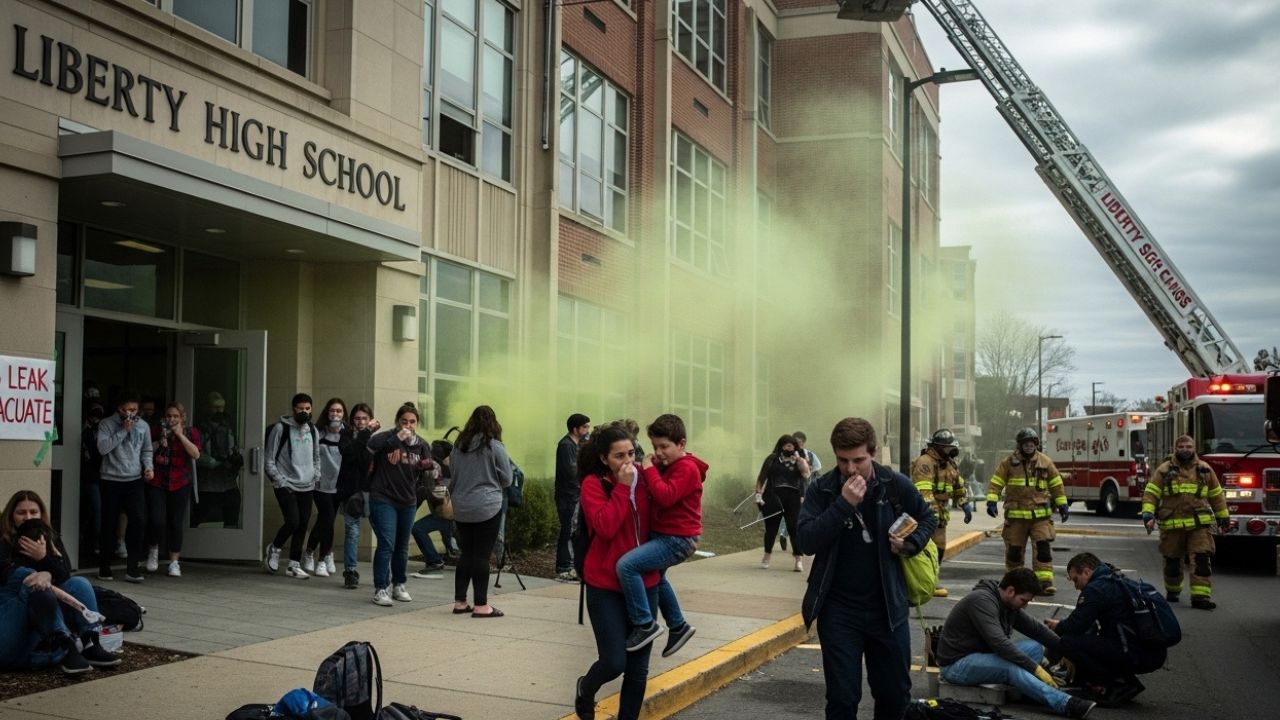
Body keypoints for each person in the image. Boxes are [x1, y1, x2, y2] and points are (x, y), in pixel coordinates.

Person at [795, 417, 936, 720]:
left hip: (887, 609)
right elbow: (805, 540)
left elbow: (927, 518)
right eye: (843, 460)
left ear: (873, 452)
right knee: (843, 698)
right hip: (839, 610)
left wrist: (911, 543)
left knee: (894, 695)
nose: (850, 469)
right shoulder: (823, 489)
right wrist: (843, 505)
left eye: (858, 460)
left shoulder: (894, 485)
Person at [573, 424, 658, 720]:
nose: (628, 462)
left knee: (638, 669)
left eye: (631, 454)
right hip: (605, 585)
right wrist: (622, 488)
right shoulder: (594, 485)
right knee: (613, 662)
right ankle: (586, 688)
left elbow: (681, 487)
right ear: (603, 458)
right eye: (619, 456)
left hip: (645, 583)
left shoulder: (645, 478)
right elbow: (606, 528)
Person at [936, 568, 1095, 718]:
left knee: (1035, 648)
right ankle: (1066, 704)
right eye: (1023, 600)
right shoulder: (981, 601)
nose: (1025, 606)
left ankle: (1032, 690)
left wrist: (1067, 651)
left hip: (984, 656)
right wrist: (1036, 669)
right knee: (1011, 667)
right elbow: (1000, 644)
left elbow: (1037, 630)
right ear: (1011, 591)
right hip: (956, 665)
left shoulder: (1007, 604)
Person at [1, 490, 122, 675]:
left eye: (33, 512)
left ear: (41, 514)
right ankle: (66, 645)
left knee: (79, 583)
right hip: (13, 620)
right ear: (11, 516)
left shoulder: (49, 537)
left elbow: (65, 574)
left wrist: (44, 559)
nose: (28, 517)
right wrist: (41, 574)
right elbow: (12, 574)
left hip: (43, 622)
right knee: (36, 586)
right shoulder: (4, 541)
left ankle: (90, 644)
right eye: (21, 512)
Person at [616, 414, 705, 657]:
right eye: (655, 447)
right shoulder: (670, 465)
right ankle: (678, 626)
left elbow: (665, 496)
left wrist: (648, 468)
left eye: (664, 446)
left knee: (627, 566)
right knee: (658, 577)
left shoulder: (686, 468)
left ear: (682, 443)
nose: (658, 453)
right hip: (667, 536)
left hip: (677, 539)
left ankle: (644, 624)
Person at [1045, 552, 1167, 706]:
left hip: (1135, 653)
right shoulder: (1116, 579)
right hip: (1151, 652)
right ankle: (1123, 681)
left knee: (1068, 642)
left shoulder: (1096, 589)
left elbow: (1075, 626)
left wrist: (1057, 626)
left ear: (1087, 572)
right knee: (1092, 636)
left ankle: (1115, 684)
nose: (1076, 587)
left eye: (1076, 579)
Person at [1141, 434, 1229, 609]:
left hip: (1199, 525)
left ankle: (1201, 597)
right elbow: (1151, 493)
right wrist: (1148, 515)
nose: (1185, 450)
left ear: (1194, 448)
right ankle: (1173, 590)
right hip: (1172, 524)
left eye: (1188, 447)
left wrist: (1223, 517)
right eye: (1181, 447)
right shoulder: (1164, 470)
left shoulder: (1205, 469)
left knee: (1201, 559)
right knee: (1172, 561)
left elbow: (1216, 495)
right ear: (1175, 449)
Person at [367, 403, 438, 607]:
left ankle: (399, 584)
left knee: (402, 546)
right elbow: (371, 445)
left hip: (407, 500)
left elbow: (430, 474)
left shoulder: (421, 445)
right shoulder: (388, 438)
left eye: (412, 422)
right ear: (398, 422)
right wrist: (397, 437)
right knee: (386, 543)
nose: (408, 425)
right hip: (383, 497)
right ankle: (381, 588)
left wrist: (429, 467)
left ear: (417, 424)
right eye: (404, 421)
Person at [986, 427, 1068, 595]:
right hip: (1016, 518)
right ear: (1020, 445)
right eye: (1026, 444)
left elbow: (1056, 484)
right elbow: (996, 482)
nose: (1029, 447)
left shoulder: (1045, 462)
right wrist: (992, 500)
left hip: (1040, 518)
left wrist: (1062, 504)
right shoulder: (1008, 463)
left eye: (1032, 444)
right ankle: (1015, 584)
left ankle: (1044, 583)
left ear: (1036, 444)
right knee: (1014, 553)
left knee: (1043, 550)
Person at [448, 405, 513, 618]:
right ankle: (481, 605)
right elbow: (507, 479)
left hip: (461, 505)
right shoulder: (494, 446)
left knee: (466, 553)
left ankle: (460, 602)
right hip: (487, 506)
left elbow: (453, 477)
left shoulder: (458, 447)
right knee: (482, 556)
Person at [96, 390, 154, 583]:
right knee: (109, 523)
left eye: (134, 410)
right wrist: (123, 430)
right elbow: (102, 448)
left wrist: (149, 467)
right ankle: (104, 567)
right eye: (128, 410)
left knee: (138, 522)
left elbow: (147, 450)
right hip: (111, 479)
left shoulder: (143, 426)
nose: (131, 413)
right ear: (119, 409)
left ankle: (133, 568)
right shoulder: (106, 424)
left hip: (134, 479)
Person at [910, 428, 972, 597]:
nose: (951, 450)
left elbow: (958, 486)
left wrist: (964, 504)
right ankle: (922, 583)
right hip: (925, 516)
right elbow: (924, 491)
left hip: (940, 517)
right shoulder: (925, 462)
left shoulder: (949, 463)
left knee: (938, 550)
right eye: (948, 447)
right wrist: (932, 515)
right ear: (938, 447)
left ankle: (931, 581)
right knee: (925, 550)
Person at [264, 393, 320, 579]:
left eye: (308, 408)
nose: (304, 412)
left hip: (307, 484)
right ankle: (275, 548)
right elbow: (269, 459)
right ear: (293, 409)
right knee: (293, 521)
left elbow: (316, 456)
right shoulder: (281, 428)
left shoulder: (313, 430)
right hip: (286, 484)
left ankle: (294, 564)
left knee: (303, 524)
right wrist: (279, 480)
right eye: (300, 408)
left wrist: (316, 475)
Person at [145, 402, 202, 577]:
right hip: (158, 481)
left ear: (182, 418)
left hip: (180, 482)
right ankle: (153, 550)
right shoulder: (156, 430)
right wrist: (160, 440)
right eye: (169, 416)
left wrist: (179, 435)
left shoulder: (191, 432)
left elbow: (196, 454)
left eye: (175, 416)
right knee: (157, 520)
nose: (171, 419)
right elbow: (145, 449)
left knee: (176, 523)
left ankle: (174, 562)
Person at [304, 398, 351, 578]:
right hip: (320, 484)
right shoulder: (317, 432)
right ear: (326, 412)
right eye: (332, 410)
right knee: (328, 518)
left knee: (324, 521)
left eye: (339, 411)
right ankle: (322, 559)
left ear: (344, 414)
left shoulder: (348, 433)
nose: (335, 414)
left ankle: (310, 551)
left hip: (339, 485)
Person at [755, 434, 811, 571]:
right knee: (771, 528)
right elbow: (762, 477)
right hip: (773, 496)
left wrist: (799, 459)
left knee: (794, 528)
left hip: (793, 497)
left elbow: (806, 474)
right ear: (781, 446)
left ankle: (798, 558)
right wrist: (758, 493)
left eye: (792, 445)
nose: (789, 448)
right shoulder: (772, 458)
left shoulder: (799, 459)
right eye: (787, 445)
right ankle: (767, 555)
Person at [338, 403, 378, 589]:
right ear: (352, 420)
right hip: (351, 491)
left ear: (370, 419)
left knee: (382, 532)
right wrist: (365, 434)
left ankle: (385, 572)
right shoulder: (346, 436)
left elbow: (368, 463)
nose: (361, 422)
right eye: (357, 418)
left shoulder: (376, 440)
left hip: (373, 492)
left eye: (365, 418)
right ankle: (350, 571)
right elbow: (349, 455)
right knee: (352, 532)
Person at [193, 392, 244, 528]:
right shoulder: (199, 429)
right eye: (215, 407)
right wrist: (215, 464)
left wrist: (235, 459)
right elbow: (196, 453)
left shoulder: (229, 428)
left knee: (232, 518)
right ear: (207, 408)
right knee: (196, 520)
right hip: (207, 483)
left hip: (228, 483)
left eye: (221, 407)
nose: (219, 411)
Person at [556, 413, 591, 581]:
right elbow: (571, 471)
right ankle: (564, 567)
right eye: (585, 427)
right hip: (568, 495)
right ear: (575, 429)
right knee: (567, 530)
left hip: (574, 494)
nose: (587, 430)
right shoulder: (566, 445)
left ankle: (571, 566)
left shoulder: (577, 444)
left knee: (573, 530)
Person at [79, 402, 105, 561]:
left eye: (99, 416)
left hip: (95, 478)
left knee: (96, 512)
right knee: (83, 512)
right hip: (80, 476)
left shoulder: (101, 431)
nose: (96, 419)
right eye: (93, 415)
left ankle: (95, 544)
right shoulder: (83, 430)